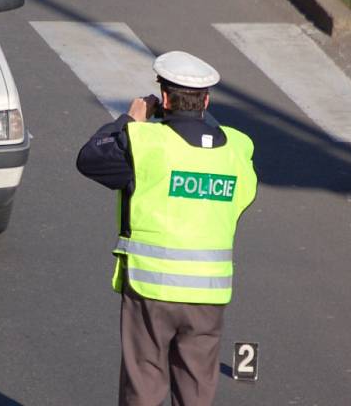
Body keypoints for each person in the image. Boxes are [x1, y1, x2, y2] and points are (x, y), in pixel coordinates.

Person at [76, 50, 258, 406]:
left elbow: (90, 158)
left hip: (151, 289)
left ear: (163, 98)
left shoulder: (145, 144)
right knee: (196, 390)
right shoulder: (237, 149)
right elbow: (243, 199)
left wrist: (129, 120)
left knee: (144, 384)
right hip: (208, 294)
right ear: (206, 100)